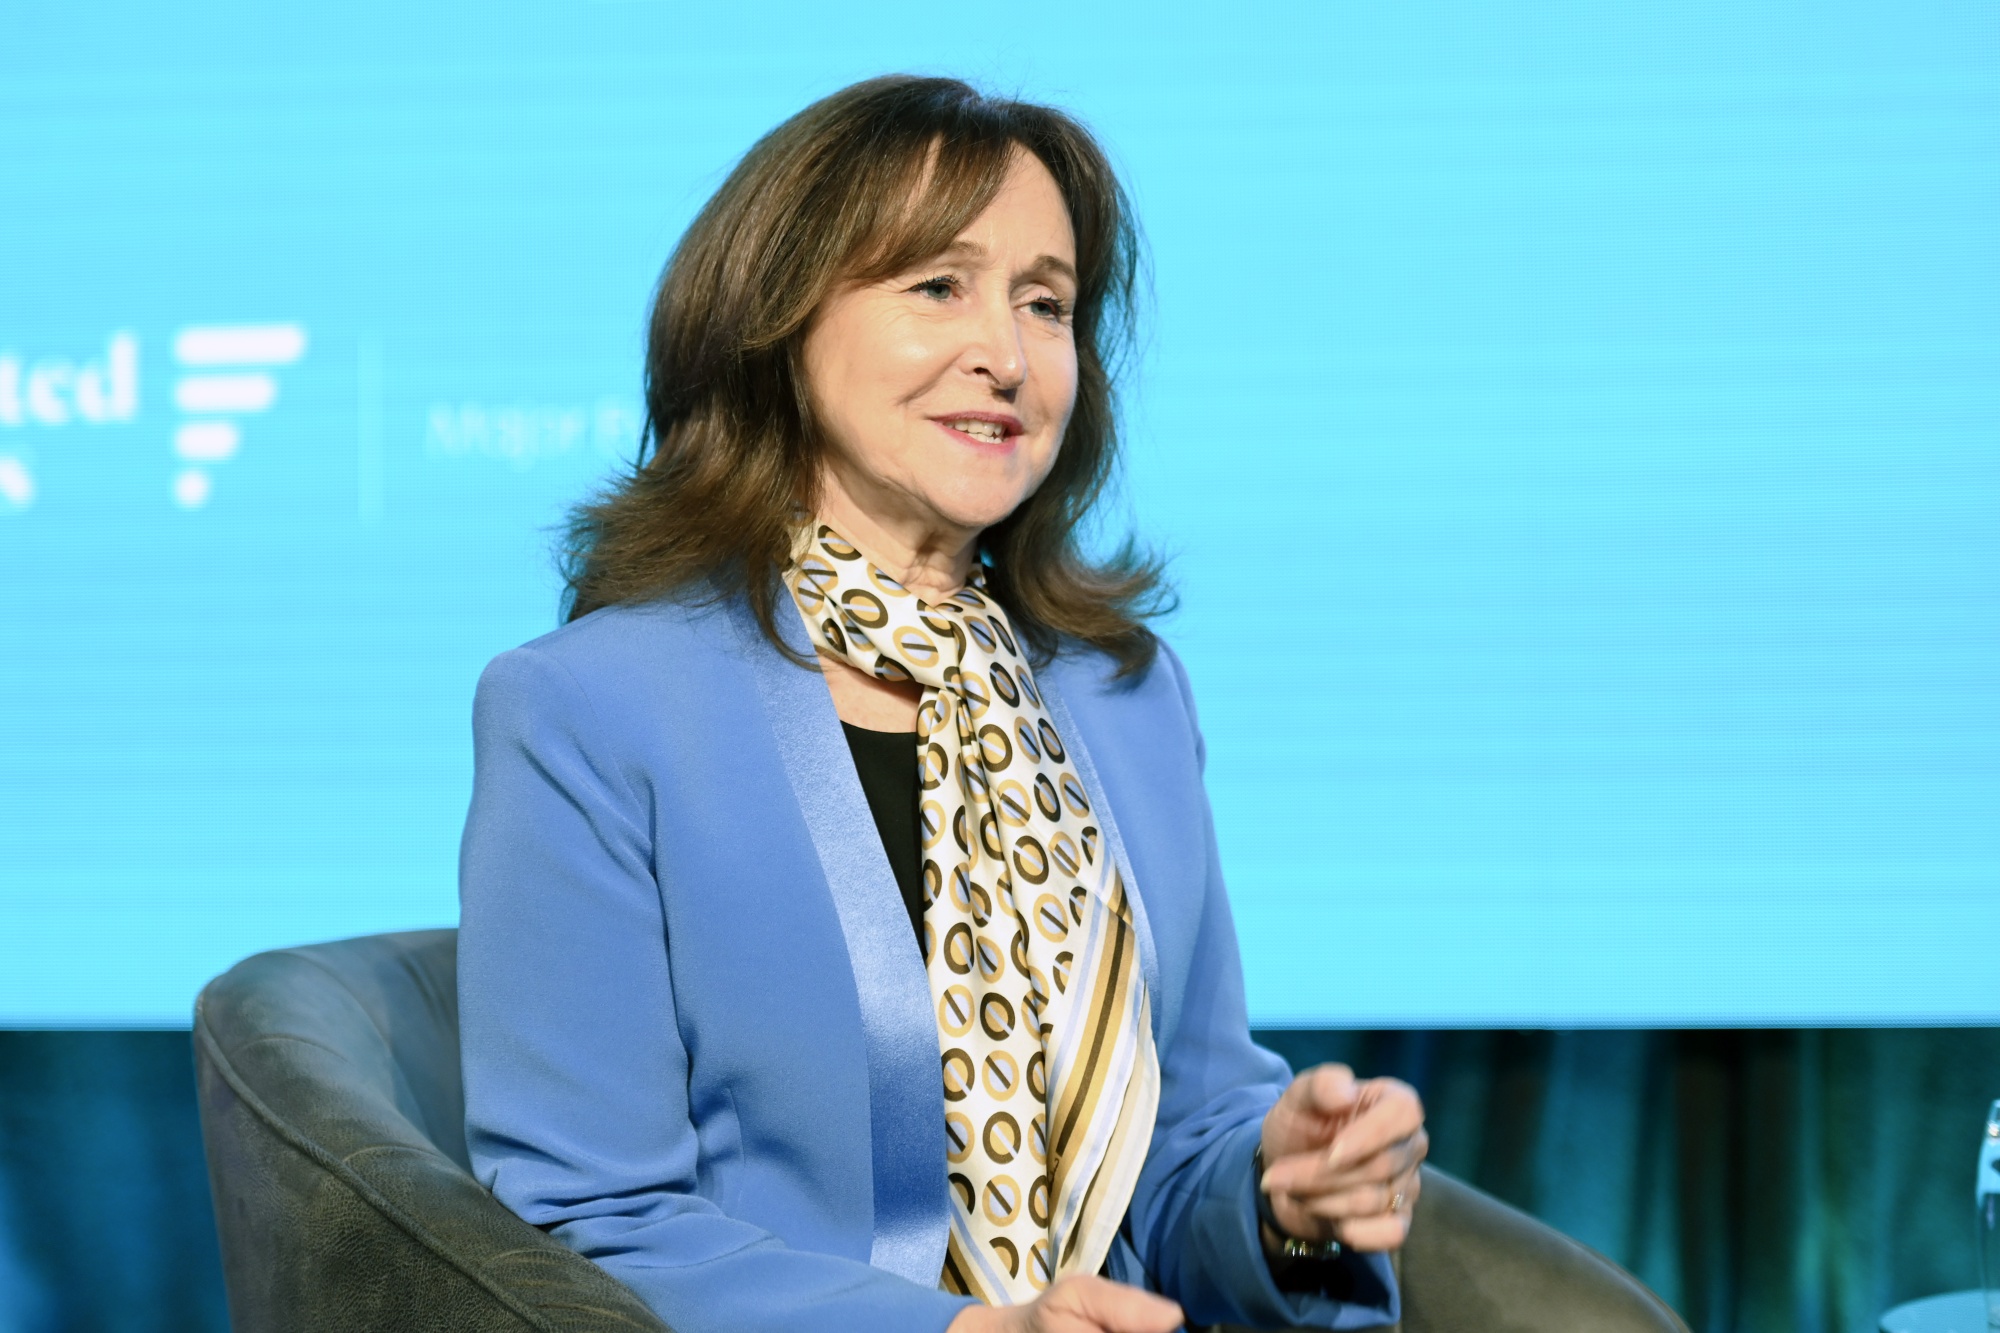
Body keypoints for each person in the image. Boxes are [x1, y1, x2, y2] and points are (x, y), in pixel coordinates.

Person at [457, 75, 1428, 1333]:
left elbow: (1179, 1153)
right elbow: (588, 1223)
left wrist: (1279, 1203)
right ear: (777, 321)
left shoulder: (1122, 693)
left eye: (1046, 303)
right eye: (937, 286)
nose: (1008, 355)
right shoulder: (588, 712)